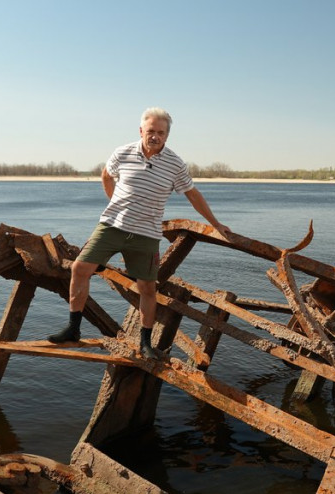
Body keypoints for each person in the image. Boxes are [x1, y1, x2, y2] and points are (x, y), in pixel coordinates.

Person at [48, 107, 231, 359]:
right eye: (151, 131)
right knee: (80, 268)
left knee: (146, 287)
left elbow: (192, 194)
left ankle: (145, 342)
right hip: (112, 226)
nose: (155, 136)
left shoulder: (175, 164)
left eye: (161, 132)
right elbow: (106, 175)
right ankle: (73, 328)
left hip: (146, 233)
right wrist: (113, 200)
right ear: (141, 130)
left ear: (167, 135)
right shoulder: (122, 153)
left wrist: (216, 223)